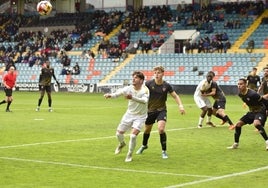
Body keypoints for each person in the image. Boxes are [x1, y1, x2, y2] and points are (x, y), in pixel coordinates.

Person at [136, 66, 185, 159]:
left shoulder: (166, 85)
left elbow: (175, 96)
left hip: (161, 110)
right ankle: (144, 145)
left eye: (158, 73)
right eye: (155, 73)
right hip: (150, 111)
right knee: (147, 130)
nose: (156, 74)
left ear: (163, 74)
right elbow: (140, 91)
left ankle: (164, 151)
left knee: (161, 129)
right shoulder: (149, 84)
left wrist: (180, 105)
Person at [104, 71, 149, 162]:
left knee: (133, 136)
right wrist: (110, 95)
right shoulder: (129, 88)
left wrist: (132, 98)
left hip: (140, 116)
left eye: (135, 78)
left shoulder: (145, 90)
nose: (133, 79)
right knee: (118, 134)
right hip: (129, 114)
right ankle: (122, 144)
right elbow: (119, 92)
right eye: (133, 77)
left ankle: (129, 155)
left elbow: (144, 101)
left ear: (141, 80)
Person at [227, 78, 268, 150]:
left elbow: (264, 101)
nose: (239, 86)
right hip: (252, 112)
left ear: (246, 84)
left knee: (256, 124)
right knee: (238, 124)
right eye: (238, 84)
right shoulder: (240, 94)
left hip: (260, 110)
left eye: (241, 84)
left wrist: (267, 110)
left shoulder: (253, 94)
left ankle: (267, 142)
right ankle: (236, 144)